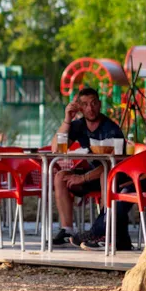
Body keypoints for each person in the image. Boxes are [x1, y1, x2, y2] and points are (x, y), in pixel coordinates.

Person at [72, 85, 146, 251]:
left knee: (122, 193)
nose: (145, 105)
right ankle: (120, 240)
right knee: (117, 189)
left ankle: (98, 232)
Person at [50, 87, 124, 245]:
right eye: (85, 104)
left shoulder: (111, 128)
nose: (90, 108)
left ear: (100, 104)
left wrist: (82, 178)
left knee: (106, 176)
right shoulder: (78, 125)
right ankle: (67, 229)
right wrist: (67, 119)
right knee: (60, 176)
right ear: (79, 107)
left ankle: (104, 230)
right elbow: (56, 148)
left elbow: (113, 164)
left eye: (94, 103)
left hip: (110, 176)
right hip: (91, 174)